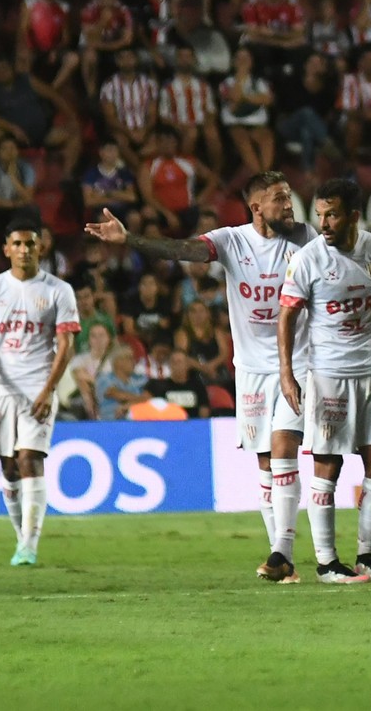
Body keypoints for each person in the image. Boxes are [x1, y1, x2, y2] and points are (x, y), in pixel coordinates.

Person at [85, 171, 316, 581]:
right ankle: (285, 562)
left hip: (297, 363)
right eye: (279, 198)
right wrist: (130, 240)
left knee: (283, 449)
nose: (288, 205)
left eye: (288, 196)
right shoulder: (232, 240)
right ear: (256, 206)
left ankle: (281, 551)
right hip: (249, 372)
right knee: (266, 461)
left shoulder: (304, 237)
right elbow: (183, 250)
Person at [277, 178, 371, 583]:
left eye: (331, 215)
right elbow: (287, 316)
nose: (324, 223)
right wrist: (287, 373)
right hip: (329, 376)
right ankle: (327, 562)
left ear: (352, 215)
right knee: (327, 464)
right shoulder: (308, 259)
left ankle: (366, 556)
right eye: (319, 215)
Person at [0, 219, 80, 567]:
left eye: (30, 244)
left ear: (41, 247)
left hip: (37, 386)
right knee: (7, 467)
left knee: (29, 458)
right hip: (1, 389)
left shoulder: (58, 290)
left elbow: (66, 344)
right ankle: (22, 538)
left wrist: (49, 389)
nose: (24, 250)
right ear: (6, 249)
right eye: (17, 244)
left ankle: (29, 545)